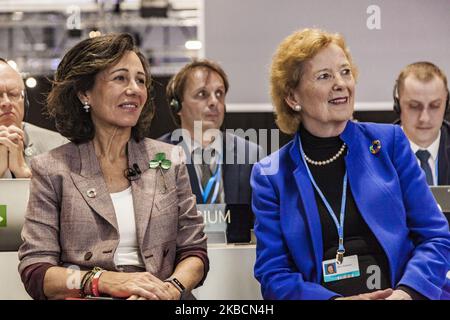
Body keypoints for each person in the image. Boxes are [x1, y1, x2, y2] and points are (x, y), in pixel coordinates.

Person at [251, 28, 450, 300]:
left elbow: (436, 237)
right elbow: (273, 274)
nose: (341, 83)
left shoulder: (390, 143)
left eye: (345, 72)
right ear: (292, 97)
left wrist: (407, 293)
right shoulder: (271, 175)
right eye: (324, 76)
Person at [18, 33, 208, 300]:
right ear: (85, 92)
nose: (135, 89)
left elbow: (194, 251)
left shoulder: (168, 159)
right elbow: (37, 271)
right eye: (120, 78)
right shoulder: (52, 168)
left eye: (140, 80)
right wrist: (103, 281)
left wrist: (169, 289)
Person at [159, 59, 262, 205]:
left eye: (219, 93)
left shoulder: (251, 154)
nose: (214, 102)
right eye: (202, 94)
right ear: (176, 105)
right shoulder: (158, 155)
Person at [0, 58, 67, 178]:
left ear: (25, 101)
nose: (6, 102)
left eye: (13, 94)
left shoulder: (60, 147)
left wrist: (24, 174)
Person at [393, 61, 450, 185]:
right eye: (414, 106)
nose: (424, 118)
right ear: (398, 105)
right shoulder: (378, 154)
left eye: (435, 106)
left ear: (446, 105)